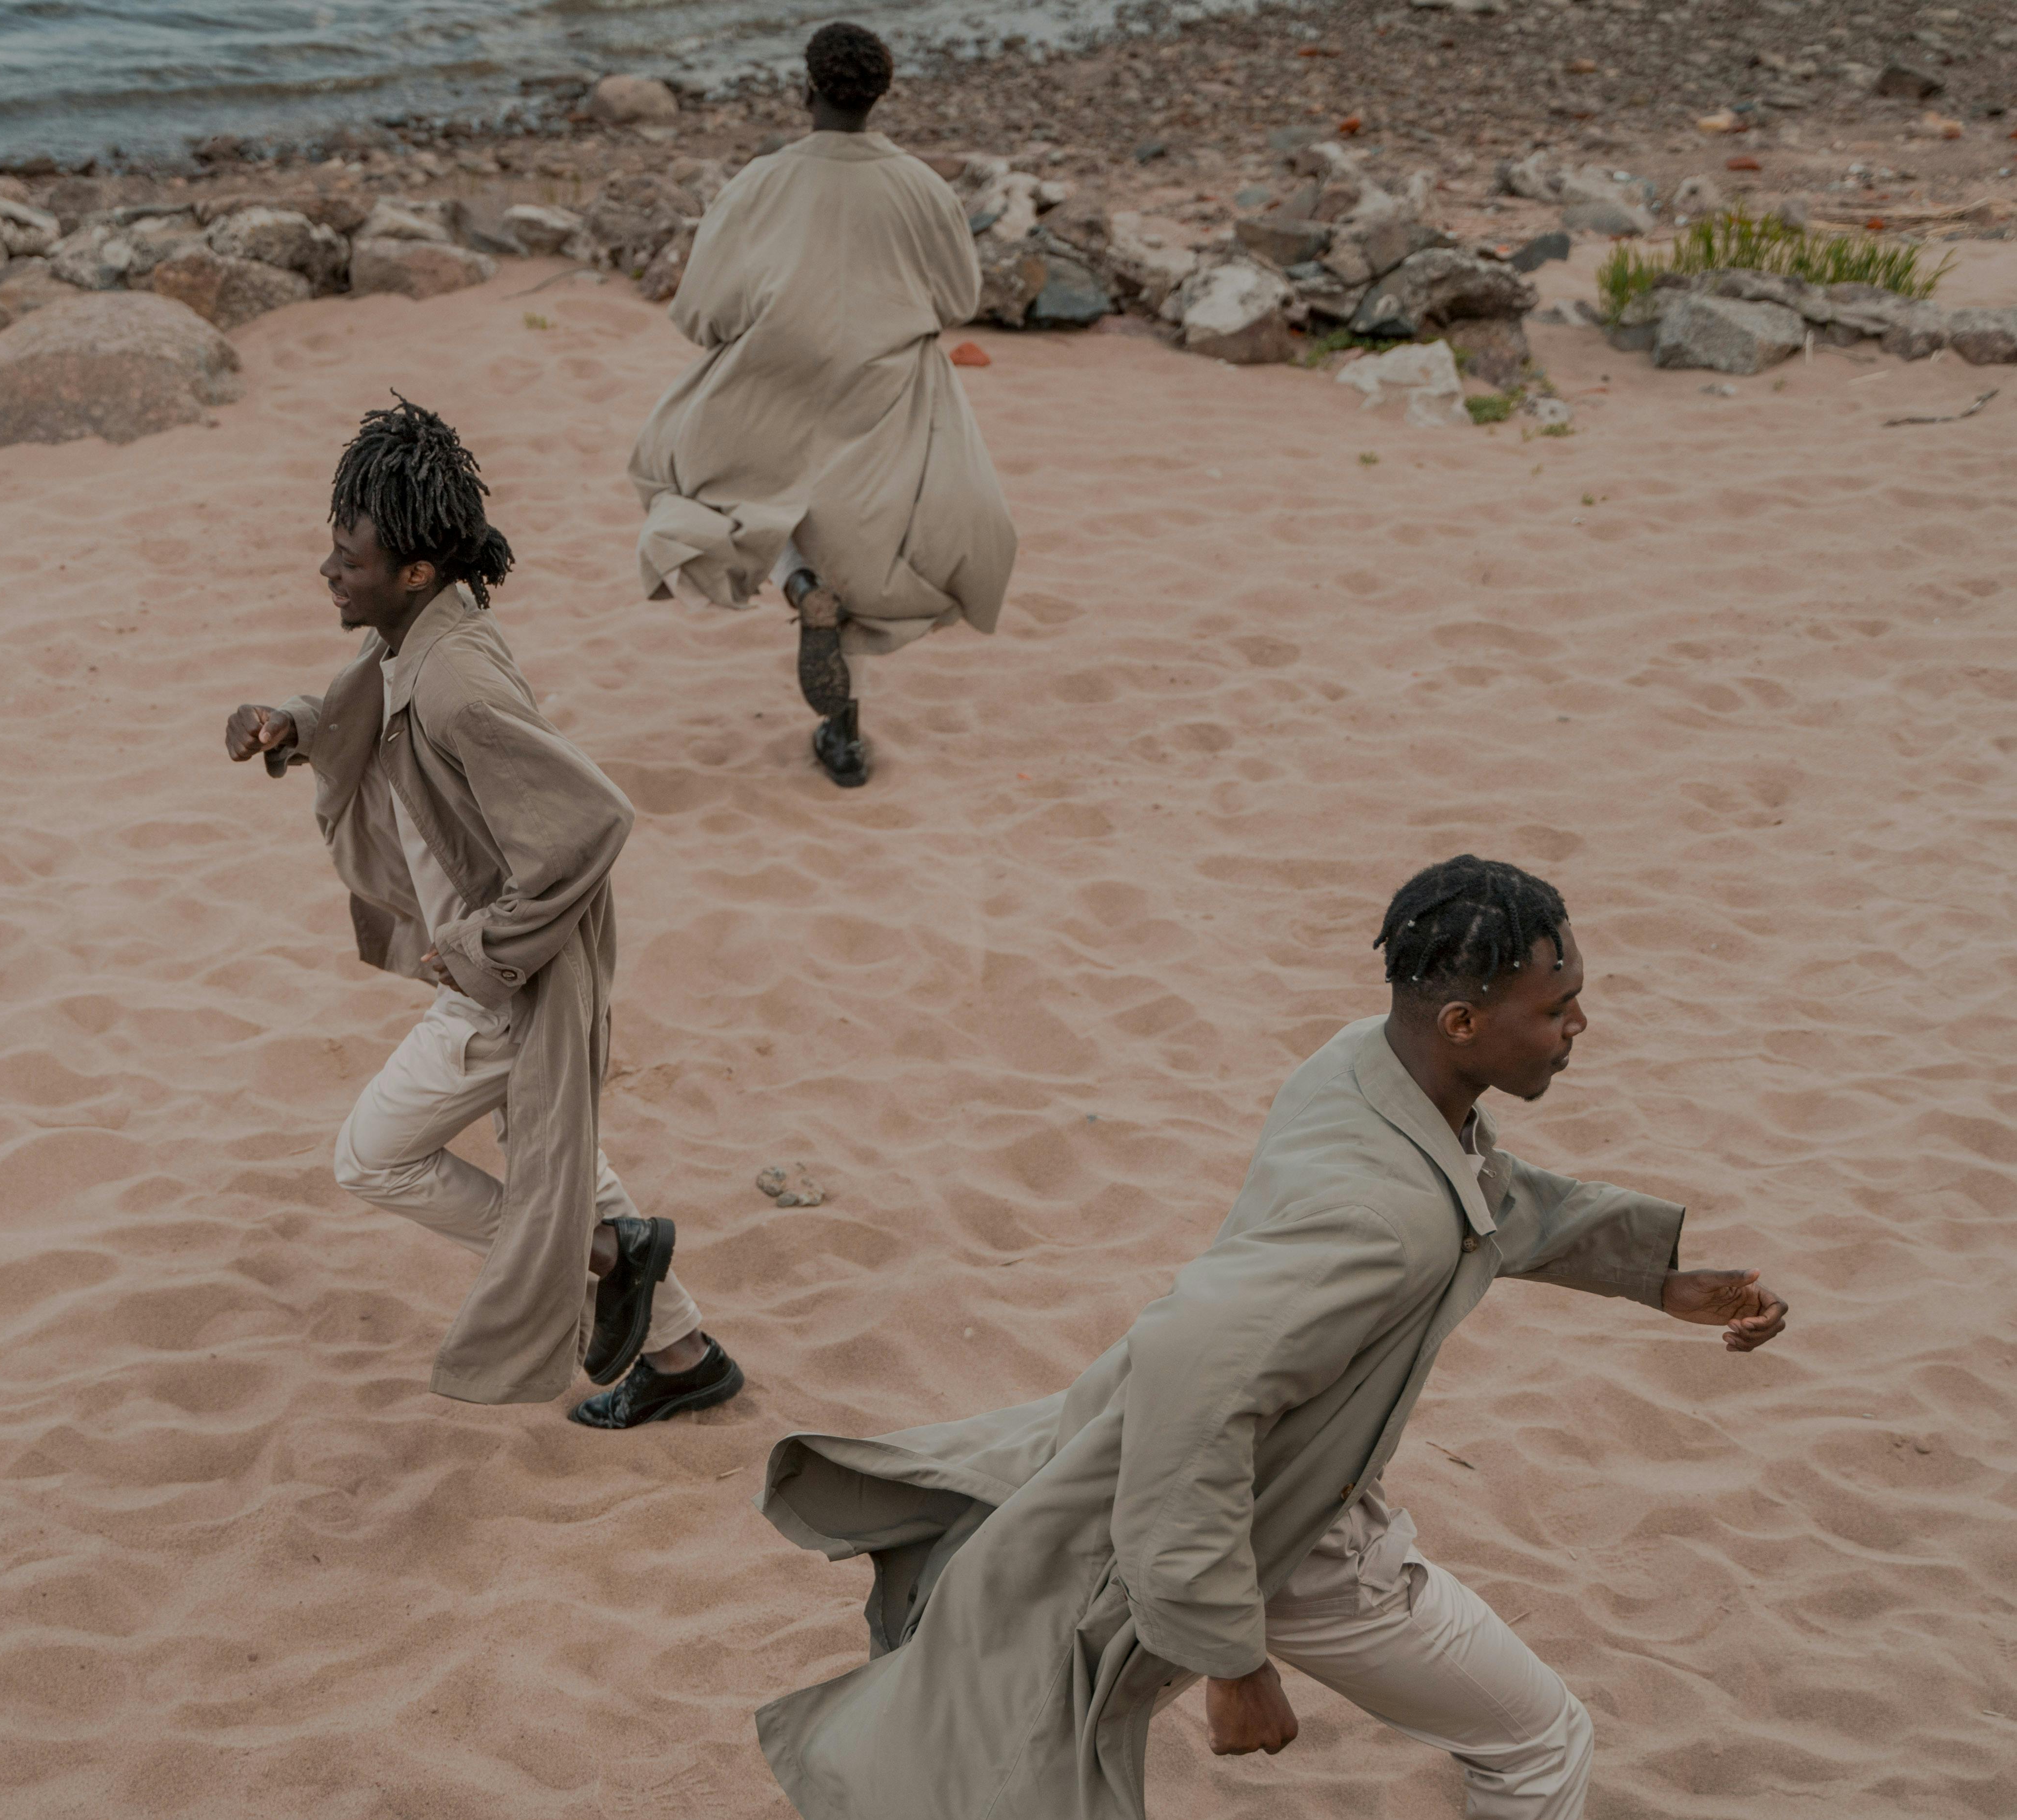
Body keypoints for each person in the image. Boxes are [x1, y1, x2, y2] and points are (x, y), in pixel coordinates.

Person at [748, 856, 1789, 1818]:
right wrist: (1228, 1658)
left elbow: (1485, 1195)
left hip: (1255, 1491)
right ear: (1465, 1022)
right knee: (1540, 1741)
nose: (1577, 1027)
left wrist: (1655, 1279)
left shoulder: (1366, 1067)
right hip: (1283, 1539)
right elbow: (1189, 1399)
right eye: (1555, 1009)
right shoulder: (1379, 1226)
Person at [224, 398, 744, 1429]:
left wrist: (474, 949)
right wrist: (295, 718)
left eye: (351, 558)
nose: (331, 572)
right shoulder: (423, 632)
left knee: (372, 1157)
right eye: (333, 547)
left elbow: (593, 819)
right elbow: (364, 692)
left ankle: (602, 1258)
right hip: (507, 962)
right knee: (563, 1155)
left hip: (507, 976)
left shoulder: (459, 680)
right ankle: (682, 1354)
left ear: (415, 570)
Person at [627, 20, 1016, 790]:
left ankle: (800, 587)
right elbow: (959, 297)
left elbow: (702, 311)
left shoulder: (760, 184)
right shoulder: (921, 188)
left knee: (711, 480)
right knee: (861, 535)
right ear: (881, 96)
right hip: (883, 387)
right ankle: (845, 737)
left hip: (776, 380)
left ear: (804, 91)